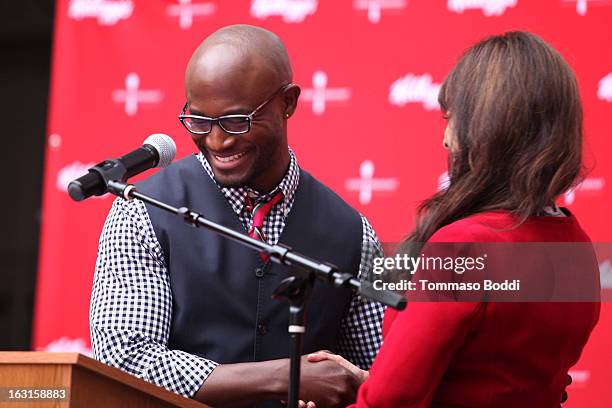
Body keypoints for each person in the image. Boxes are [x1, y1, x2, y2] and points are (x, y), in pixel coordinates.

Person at [90, 25, 384, 408]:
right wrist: (287, 378)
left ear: (288, 103)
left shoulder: (356, 233)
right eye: (199, 121)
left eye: (236, 121)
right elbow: (125, 361)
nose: (217, 140)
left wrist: (347, 386)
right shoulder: (140, 211)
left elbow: (379, 372)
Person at [307, 31, 601, 407]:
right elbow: (493, 377)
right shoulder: (577, 244)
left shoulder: (465, 246)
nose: (446, 140)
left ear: (488, 127)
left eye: (452, 119)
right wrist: (368, 377)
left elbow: (390, 400)